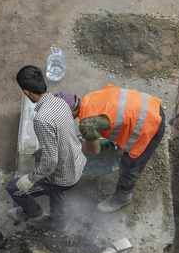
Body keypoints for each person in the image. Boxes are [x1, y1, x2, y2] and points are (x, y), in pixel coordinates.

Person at [55, 84, 165, 213]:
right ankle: (121, 150)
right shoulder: (90, 98)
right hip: (152, 107)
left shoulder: (87, 124)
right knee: (110, 135)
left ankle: (122, 198)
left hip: (151, 127)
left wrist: (73, 143)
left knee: (130, 165)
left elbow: (94, 150)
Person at [5, 65, 86, 231]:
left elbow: (50, 161)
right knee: (53, 185)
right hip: (77, 161)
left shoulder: (41, 119)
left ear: (26, 92)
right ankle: (58, 221)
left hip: (66, 176)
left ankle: (32, 211)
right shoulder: (61, 102)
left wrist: (30, 179)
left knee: (14, 188)